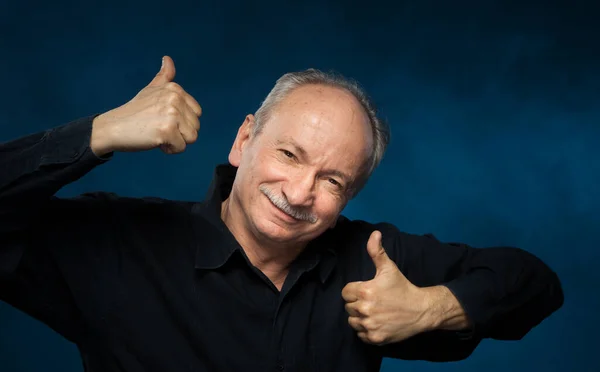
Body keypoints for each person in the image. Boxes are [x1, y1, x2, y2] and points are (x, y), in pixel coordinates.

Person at [0, 56, 563, 372]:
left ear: (353, 194)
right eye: (289, 154)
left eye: (332, 180)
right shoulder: (120, 246)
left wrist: (434, 308)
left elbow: (535, 284)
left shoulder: (371, 261)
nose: (299, 192)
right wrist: (99, 133)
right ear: (245, 140)